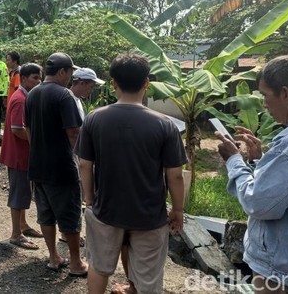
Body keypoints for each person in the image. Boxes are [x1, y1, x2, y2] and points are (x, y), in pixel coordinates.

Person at [76, 54, 185, 294]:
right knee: (148, 279)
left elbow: (85, 164)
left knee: (99, 267)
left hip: (106, 210)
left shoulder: (95, 119)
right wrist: (177, 210)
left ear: (113, 82)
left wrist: (90, 200)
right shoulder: (165, 125)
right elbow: (174, 175)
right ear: (146, 83)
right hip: (149, 215)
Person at [216, 55, 288, 294]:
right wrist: (259, 160)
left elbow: (260, 203)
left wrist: (234, 161)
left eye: (265, 95)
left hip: (284, 274)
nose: (264, 104)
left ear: (285, 94)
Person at [25, 52, 87, 277]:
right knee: (70, 216)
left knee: (46, 214)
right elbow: (74, 133)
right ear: (62, 72)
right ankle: (76, 263)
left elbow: (28, 129)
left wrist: (38, 152)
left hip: (37, 166)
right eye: (70, 72)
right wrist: (81, 161)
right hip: (62, 167)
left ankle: (53, 257)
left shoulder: (32, 94)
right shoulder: (64, 95)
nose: (70, 77)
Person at [58, 67, 105, 244]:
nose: (90, 90)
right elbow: (74, 133)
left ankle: (69, 232)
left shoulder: (76, 100)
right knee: (73, 196)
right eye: (90, 86)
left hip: (77, 153)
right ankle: (68, 234)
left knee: (76, 195)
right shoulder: (69, 100)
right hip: (74, 154)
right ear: (81, 83)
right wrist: (81, 156)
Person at [0, 63, 44, 250]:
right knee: (19, 193)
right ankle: (16, 234)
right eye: (35, 78)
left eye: (40, 78)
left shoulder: (25, 97)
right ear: (24, 78)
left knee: (24, 191)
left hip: (22, 155)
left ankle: (23, 226)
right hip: (19, 154)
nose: (38, 82)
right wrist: (38, 141)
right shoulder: (20, 99)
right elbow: (17, 129)